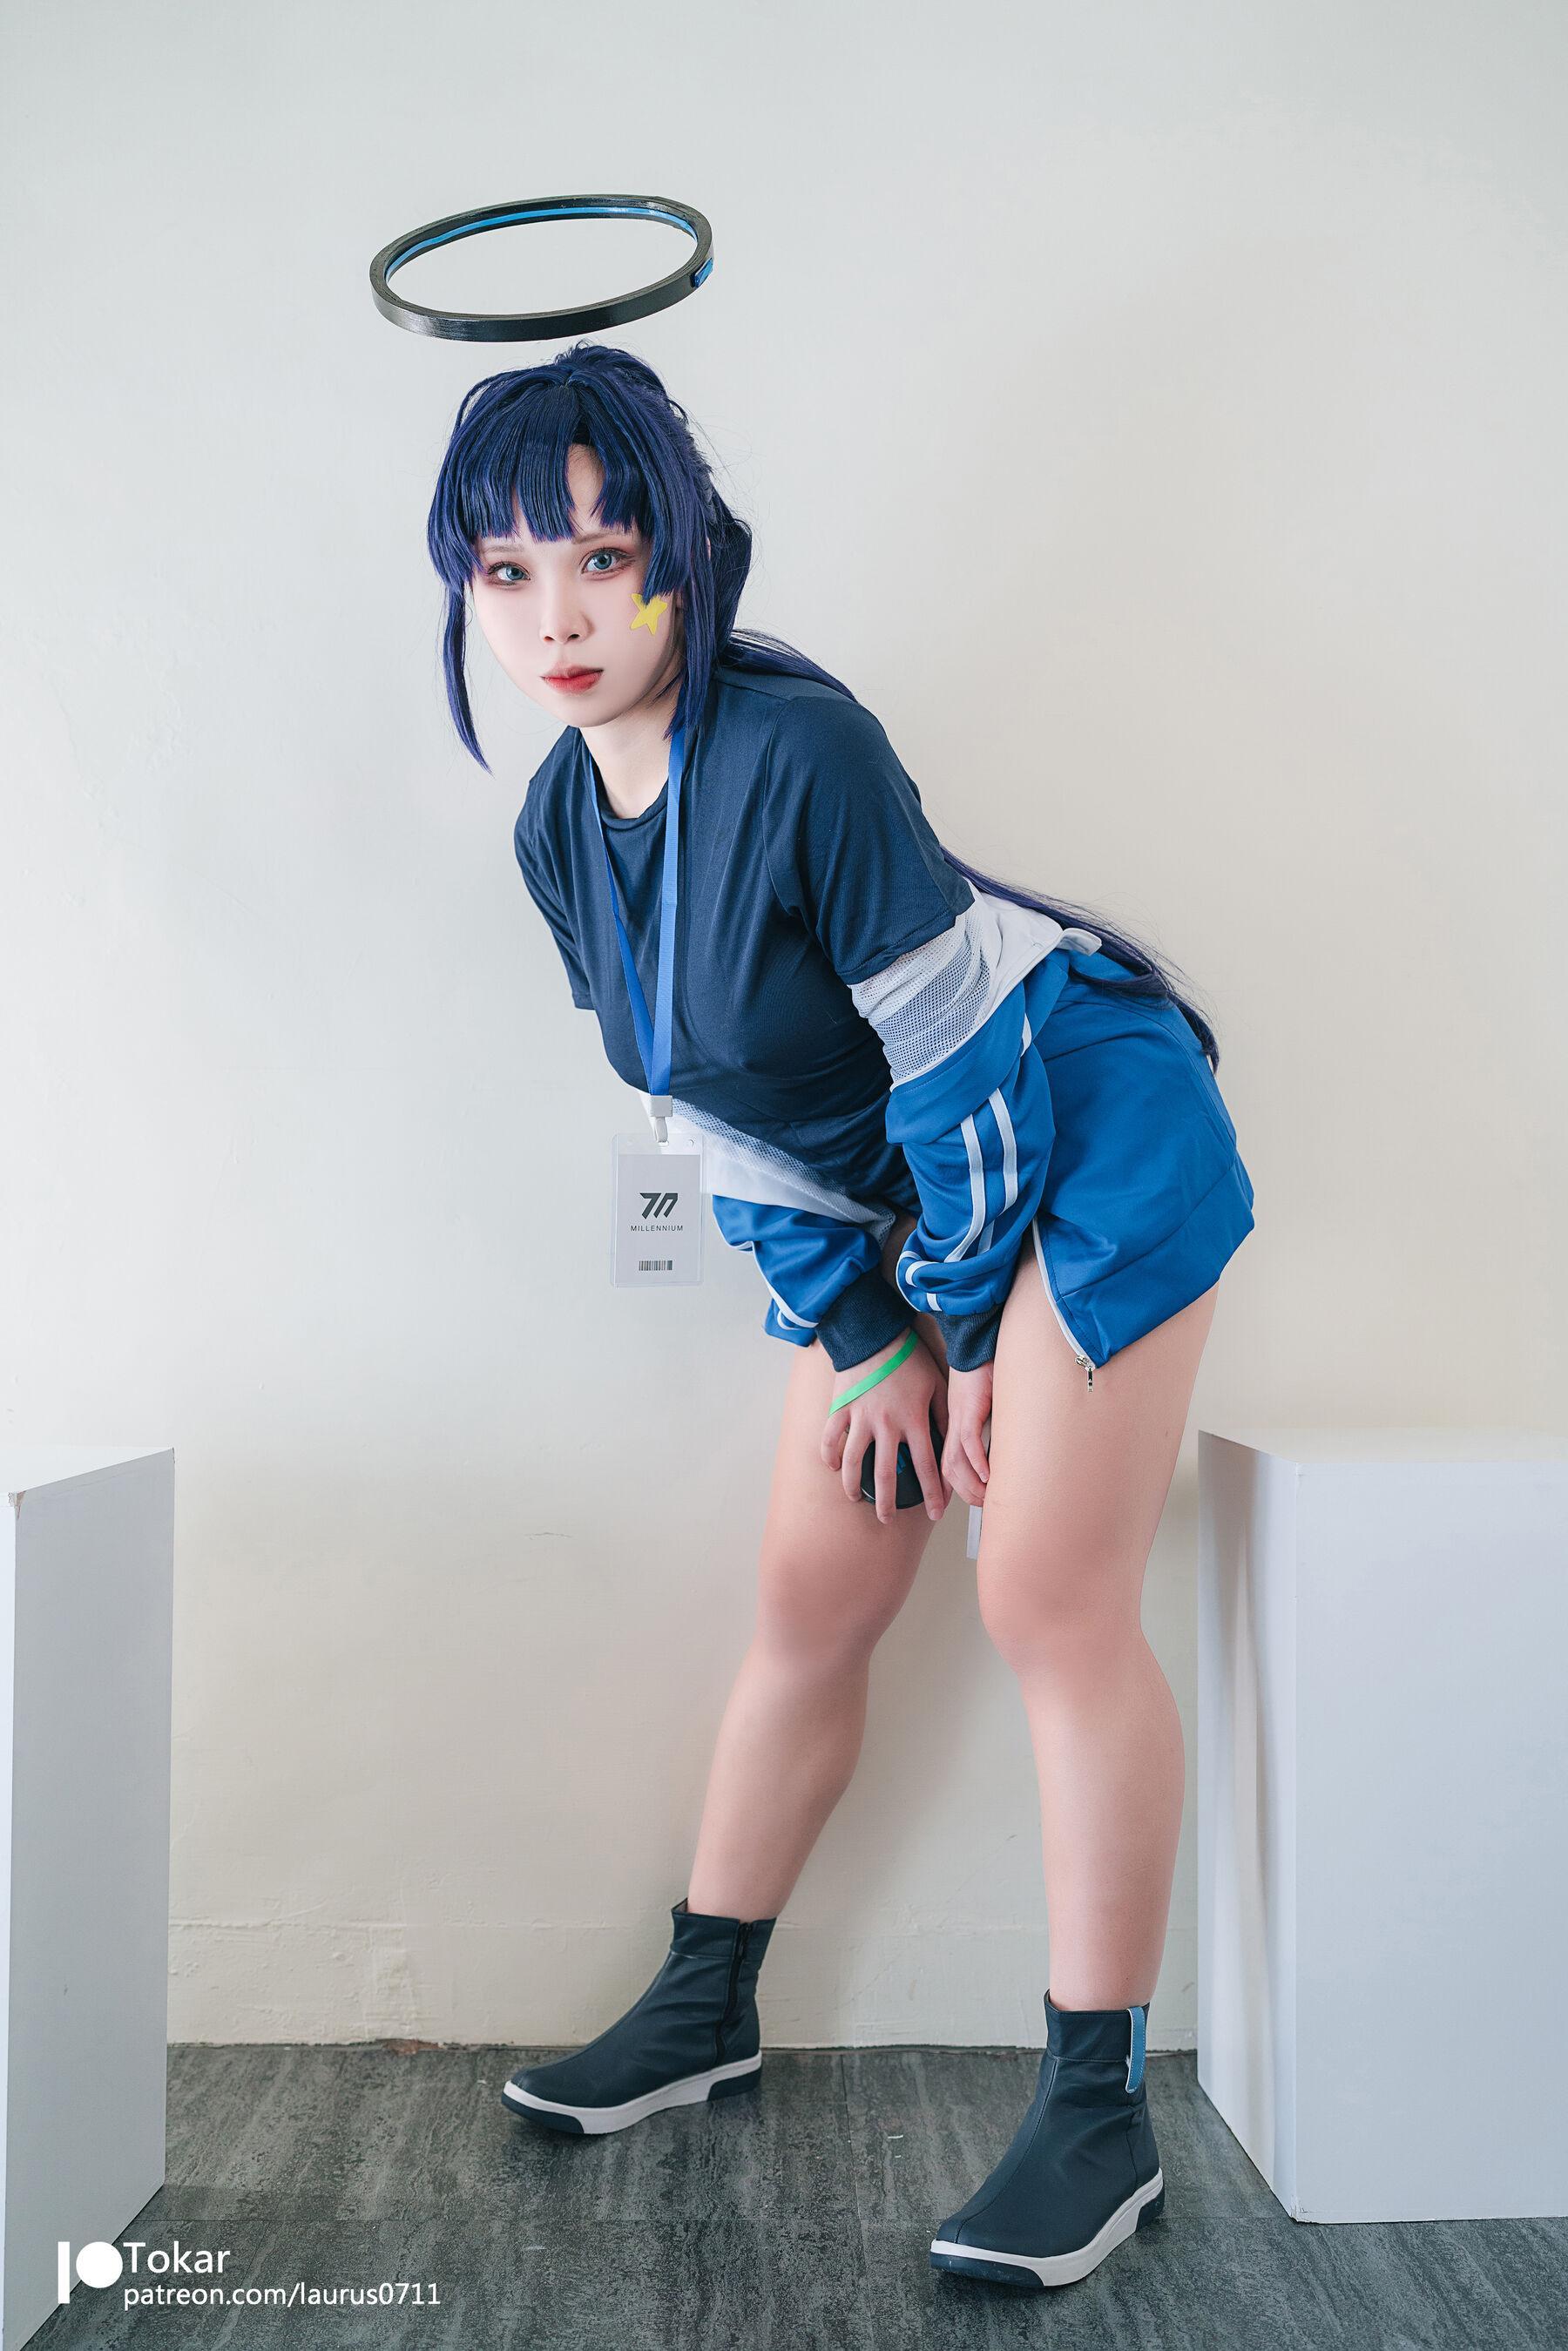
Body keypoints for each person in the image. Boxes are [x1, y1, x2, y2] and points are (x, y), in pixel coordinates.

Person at [423, 342, 1255, 2293]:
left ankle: (1099, 2113)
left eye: (603, 558)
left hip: (1088, 1133)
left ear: (684, 560)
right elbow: (708, 1104)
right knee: (818, 1583)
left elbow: (966, 1082)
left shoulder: (802, 750)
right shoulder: (557, 826)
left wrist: (952, 1334)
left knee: (1041, 1592)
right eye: (507, 573)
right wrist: (867, 1335)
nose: (557, 619)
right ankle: (706, 2000)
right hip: (910, 1199)